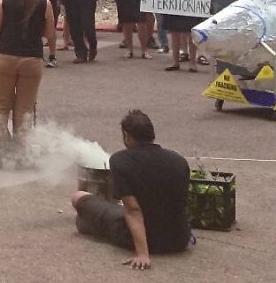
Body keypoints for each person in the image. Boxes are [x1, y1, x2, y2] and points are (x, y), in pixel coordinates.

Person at [71, 110, 191, 269]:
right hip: (179, 240)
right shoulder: (179, 161)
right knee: (104, 213)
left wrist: (143, 254)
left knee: (78, 197)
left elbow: (133, 209)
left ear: (126, 136)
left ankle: (89, 223)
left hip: (143, 239)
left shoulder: (120, 160)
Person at [0, 0, 55, 170]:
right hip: (31, 58)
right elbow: (49, 34)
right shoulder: (44, 3)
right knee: (24, 109)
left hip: (5, 56)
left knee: (0, 106)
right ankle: (22, 153)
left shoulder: (4, 0)